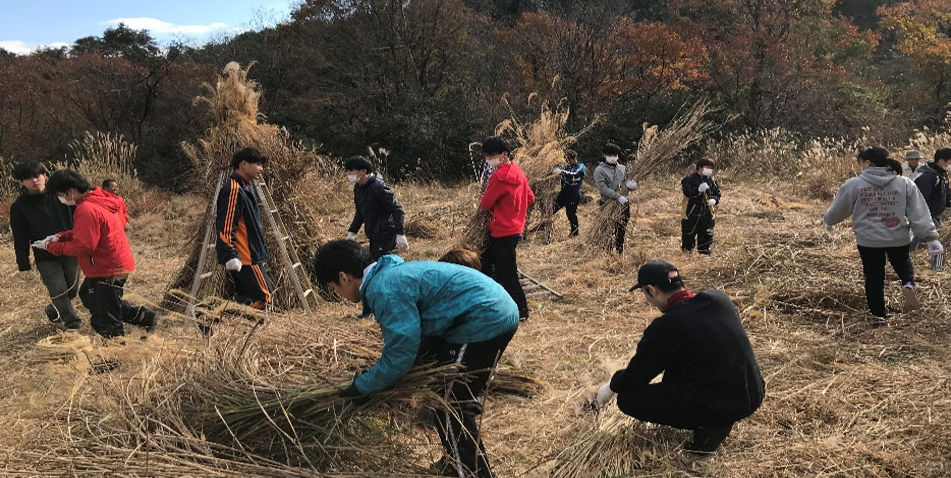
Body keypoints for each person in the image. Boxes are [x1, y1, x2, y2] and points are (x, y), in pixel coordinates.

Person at [313, 240, 519, 478]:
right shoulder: (389, 275)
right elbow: (412, 339)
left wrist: (362, 386)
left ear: (343, 277)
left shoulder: (384, 289)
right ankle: (457, 462)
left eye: (333, 287)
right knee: (448, 394)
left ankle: (473, 474)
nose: (338, 294)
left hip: (484, 319)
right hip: (489, 310)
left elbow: (400, 355)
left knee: (449, 403)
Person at [587, 261, 765, 454]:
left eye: (645, 294)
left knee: (628, 399)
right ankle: (716, 417)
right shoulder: (719, 299)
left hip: (721, 404)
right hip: (753, 393)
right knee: (680, 364)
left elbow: (635, 377)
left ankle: (710, 426)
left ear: (651, 290)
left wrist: (611, 387)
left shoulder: (667, 325)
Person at [823, 146, 941, 326]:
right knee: (902, 262)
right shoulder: (904, 183)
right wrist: (931, 238)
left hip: (869, 240)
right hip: (898, 237)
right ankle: (908, 283)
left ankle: (879, 318)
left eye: (861, 162)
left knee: (874, 277)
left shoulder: (854, 184)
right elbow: (919, 213)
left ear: (867, 162)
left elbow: (839, 209)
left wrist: (829, 220)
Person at [34, 169, 157, 339]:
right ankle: (143, 316)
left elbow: (83, 246)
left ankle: (113, 355)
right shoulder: (98, 200)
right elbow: (85, 232)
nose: (60, 199)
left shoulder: (86, 209)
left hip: (107, 268)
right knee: (89, 296)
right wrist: (59, 237)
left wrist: (51, 247)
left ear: (70, 191)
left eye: (60, 195)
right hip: (111, 263)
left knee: (105, 317)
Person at [10, 161, 82, 329]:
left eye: (37, 175)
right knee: (58, 289)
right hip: (44, 255)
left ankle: (53, 308)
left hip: (70, 248)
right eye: (28, 178)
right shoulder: (19, 206)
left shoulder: (62, 195)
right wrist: (23, 263)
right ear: (21, 182)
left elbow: (79, 217)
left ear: (44, 175)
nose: (34, 180)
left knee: (71, 289)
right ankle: (72, 322)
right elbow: (20, 237)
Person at [479, 136, 535, 320]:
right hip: (515, 229)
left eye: (491, 156)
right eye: (486, 156)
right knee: (486, 263)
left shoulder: (499, 177)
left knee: (507, 273)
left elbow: (486, 203)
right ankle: (491, 303)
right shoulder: (517, 171)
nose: (489, 160)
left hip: (501, 231)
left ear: (504, 154)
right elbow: (530, 198)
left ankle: (521, 311)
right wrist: (516, 211)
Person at [216, 147, 273, 310]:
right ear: (243, 164)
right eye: (258, 164)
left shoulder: (246, 187)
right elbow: (226, 224)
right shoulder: (234, 189)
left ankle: (224, 319)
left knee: (249, 295)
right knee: (264, 297)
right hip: (244, 256)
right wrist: (230, 254)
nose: (261, 168)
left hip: (249, 254)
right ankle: (209, 310)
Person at [344, 155, 408, 260]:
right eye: (347, 171)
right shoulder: (358, 188)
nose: (348, 174)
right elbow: (360, 212)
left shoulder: (379, 187)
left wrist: (400, 234)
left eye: (351, 171)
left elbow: (397, 210)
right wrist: (352, 232)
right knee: (375, 262)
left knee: (375, 263)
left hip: (386, 232)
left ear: (363, 171)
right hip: (373, 232)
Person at [910, 148, 951, 270]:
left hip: (933, 215)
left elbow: (945, 195)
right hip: (926, 216)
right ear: (942, 161)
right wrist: (923, 219)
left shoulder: (940, 175)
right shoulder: (928, 177)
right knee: (936, 242)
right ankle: (936, 270)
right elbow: (919, 199)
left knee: (924, 242)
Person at [594, 143, 638, 253]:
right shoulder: (599, 170)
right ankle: (607, 252)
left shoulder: (622, 168)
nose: (613, 157)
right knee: (607, 229)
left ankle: (619, 251)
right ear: (604, 155)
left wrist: (631, 186)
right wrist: (618, 196)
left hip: (623, 204)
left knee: (621, 228)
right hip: (607, 203)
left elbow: (625, 183)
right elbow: (603, 188)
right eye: (610, 155)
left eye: (615, 154)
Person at [681, 158, 721, 255]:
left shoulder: (711, 180)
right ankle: (687, 256)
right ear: (700, 167)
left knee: (706, 236)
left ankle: (704, 255)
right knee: (688, 237)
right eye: (707, 167)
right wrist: (698, 190)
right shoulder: (689, 179)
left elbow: (717, 193)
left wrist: (714, 200)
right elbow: (688, 193)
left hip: (707, 214)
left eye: (711, 168)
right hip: (691, 213)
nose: (710, 170)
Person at [551, 149, 587, 237]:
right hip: (563, 193)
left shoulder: (580, 166)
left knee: (570, 213)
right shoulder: (566, 166)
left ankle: (574, 232)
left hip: (573, 194)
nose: (568, 162)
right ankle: (543, 226)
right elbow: (561, 172)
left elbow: (575, 173)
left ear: (574, 158)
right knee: (551, 209)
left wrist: (561, 171)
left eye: (569, 160)